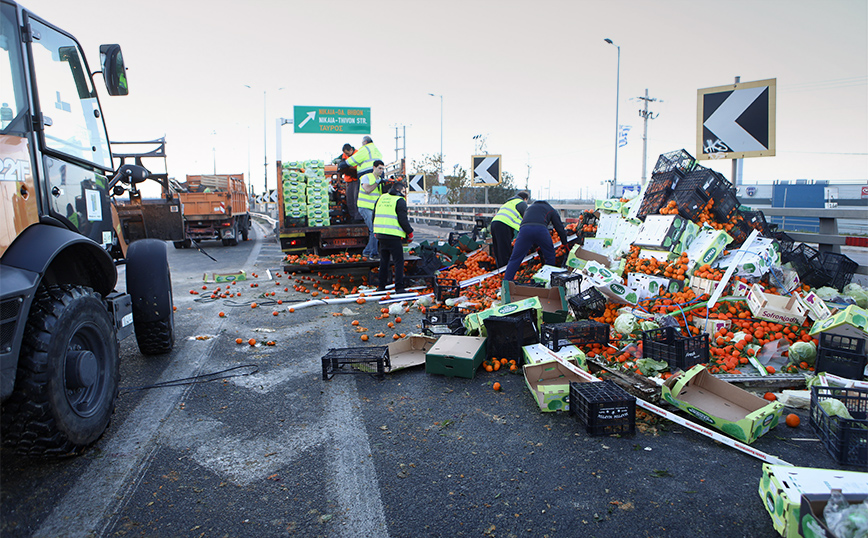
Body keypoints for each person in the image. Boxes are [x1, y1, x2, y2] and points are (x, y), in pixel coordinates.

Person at [503, 200, 570, 282]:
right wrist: (565, 243)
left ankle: (506, 284)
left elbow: (530, 226)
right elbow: (559, 228)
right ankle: (548, 281)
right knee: (550, 256)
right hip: (541, 230)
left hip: (524, 230)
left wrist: (536, 246)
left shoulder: (529, 209)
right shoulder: (551, 209)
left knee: (515, 258)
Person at [340, 136, 383, 259]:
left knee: (373, 230)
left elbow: (353, 160)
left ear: (364, 142)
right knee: (374, 230)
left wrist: (344, 164)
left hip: (368, 206)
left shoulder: (365, 149)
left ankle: (369, 252)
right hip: (367, 207)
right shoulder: (376, 151)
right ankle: (371, 252)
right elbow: (369, 190)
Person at [373, 180, 413, 293]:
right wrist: (409, 233)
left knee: (384, 261)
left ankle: (381, 286)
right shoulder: (399, 200)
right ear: (399, 190)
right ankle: (399, 287)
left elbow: (374, 215)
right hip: (394, 236)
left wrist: (375, 231)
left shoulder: (381, 198)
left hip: (381, 234)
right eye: (404, 191)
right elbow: (403, 220)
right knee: (398, 261)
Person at [490, 191, 529, 268]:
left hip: (494, 223)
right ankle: (505, 271)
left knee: (498, 250)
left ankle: (500, 270)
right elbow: (528, 218)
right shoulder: (521, 203)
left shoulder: (508, 203)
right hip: (503, 225)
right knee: (505, 250)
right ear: (525, 199)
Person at [335, 143, 360, 222]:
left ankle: (358, 217)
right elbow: (336, 160)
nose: (346, 155)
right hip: (349, 180)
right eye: (345, 153)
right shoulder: (343, 155)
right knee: (350, 199)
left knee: (356, 199)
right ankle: (352, 216)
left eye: (347, 153)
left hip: (356, 179)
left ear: (351, 150)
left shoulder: (358, 153)